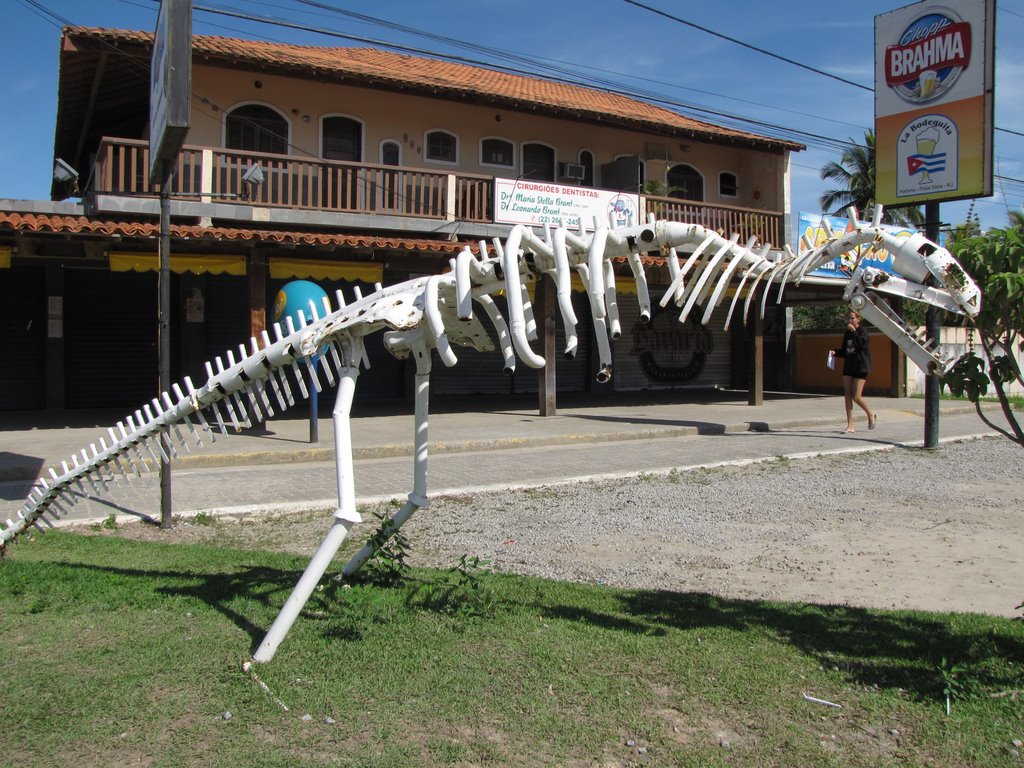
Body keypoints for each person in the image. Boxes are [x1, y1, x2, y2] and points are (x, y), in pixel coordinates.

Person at [835, 310, 876, 433]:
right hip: (849, 366)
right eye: (849, 318)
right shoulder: (847, 333)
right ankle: (850, 425)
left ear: (858, 319)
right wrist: (835, 352)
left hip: (861, 366)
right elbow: (845, 350)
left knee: (856, 397)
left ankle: (870, 414)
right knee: (847, 395)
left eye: (852, 318)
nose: (850, 321)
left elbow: (861, 345)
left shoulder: (862, 331)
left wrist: (854, 331)